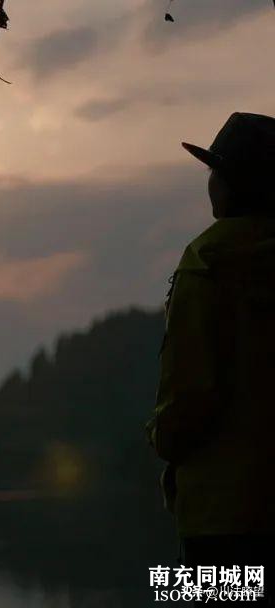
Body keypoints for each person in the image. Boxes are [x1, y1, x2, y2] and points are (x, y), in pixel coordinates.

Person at [145, 112, 275, 605]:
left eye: (214, 173)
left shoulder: (205, 263)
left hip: (221, 518)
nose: (210, 185)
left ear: (232, 183)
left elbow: (190, 395)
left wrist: (160, 436)